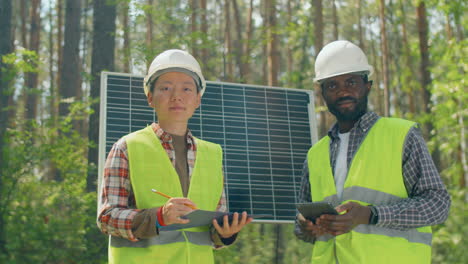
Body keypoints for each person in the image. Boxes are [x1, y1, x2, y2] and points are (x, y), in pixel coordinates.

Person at [294, 40, 451, 263]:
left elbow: (437, 204)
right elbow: (301, 225)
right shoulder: (315, 155)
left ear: (367, 86)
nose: (342, 91)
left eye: (351, 82)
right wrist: (305, 226)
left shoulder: (401, 135)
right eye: (332, 85)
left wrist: (371, 215)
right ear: (322, 94)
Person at [97, 49, 252, 264]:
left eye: (187, 88)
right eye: (165, 88)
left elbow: (211, 232)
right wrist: (158, 216)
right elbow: (107, 218)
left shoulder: (213, 155)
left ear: (198, 99)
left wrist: (225, 234)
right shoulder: (127, 147)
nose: (176, 96)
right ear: (150, 97)